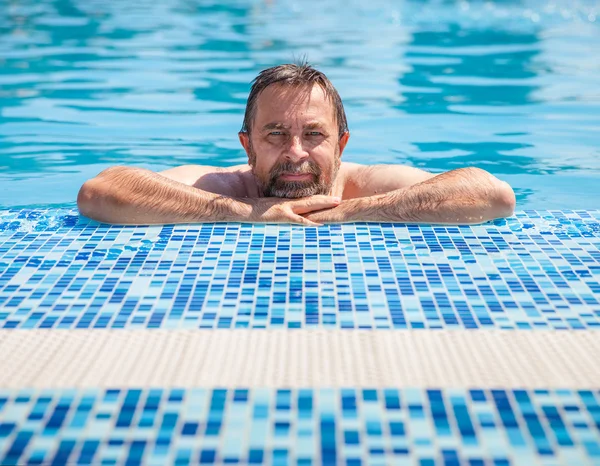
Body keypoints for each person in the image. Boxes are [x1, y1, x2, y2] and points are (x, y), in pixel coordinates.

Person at [77, 62, 515, 226]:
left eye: (313, 134)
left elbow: (492, 196)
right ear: (247, 147)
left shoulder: (364, 186)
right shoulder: (224, 187)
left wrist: (350, 211)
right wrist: (247, 212)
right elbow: (100, 193)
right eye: (275, 134)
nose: (295, 153)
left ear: (341, 145)